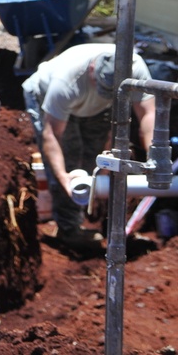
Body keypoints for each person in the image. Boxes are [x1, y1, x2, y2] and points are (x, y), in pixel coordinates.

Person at [22, 43, 155, 250]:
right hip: (48, 99)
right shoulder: (66, 81)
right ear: (93, 69)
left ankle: (90, 214)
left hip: (94, 108)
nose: (103, 92)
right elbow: (52, 135)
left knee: (94, 158)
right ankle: (69, 229)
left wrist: (153, 158)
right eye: (101, 87)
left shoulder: (136, 68)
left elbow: (147, 114)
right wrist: (63, 176)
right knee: (70, 162)